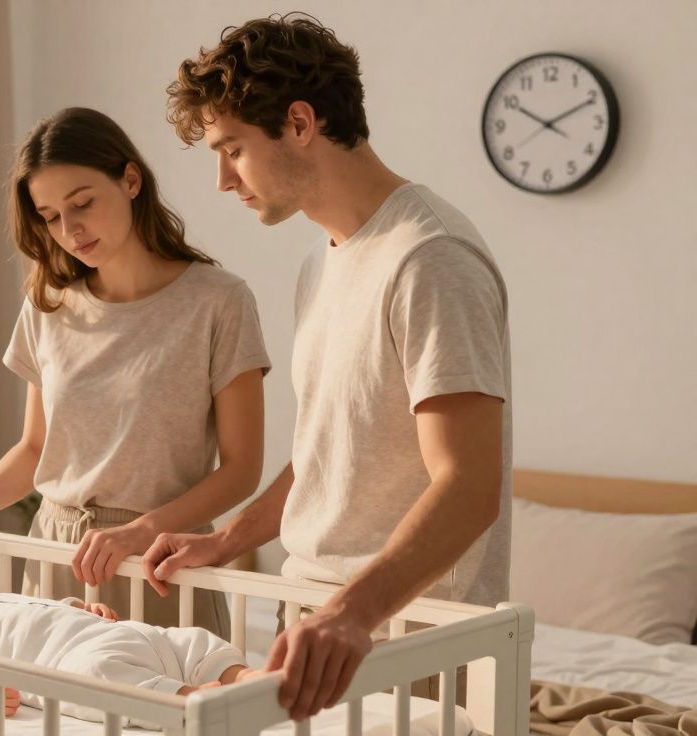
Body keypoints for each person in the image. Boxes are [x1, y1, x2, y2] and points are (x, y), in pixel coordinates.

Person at [142, 13, 513, 722]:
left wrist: (349, 613)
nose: (223, 181)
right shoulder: (323, 260)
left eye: (233, 150)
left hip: (408, 637)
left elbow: (469, 485)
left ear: (302, 122)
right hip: (317, 623)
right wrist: (229, 540)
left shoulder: (430, 258)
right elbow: (330, 451)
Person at [0, 107, 271, 636]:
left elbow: (241, 469)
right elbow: (35, 449)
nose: (69, 230)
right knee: (45, 715)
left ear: (131, 180)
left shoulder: (219, 301)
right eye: (50, 216)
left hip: (158, 562)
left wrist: (141, 532)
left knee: (167, 710)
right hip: (54, 556)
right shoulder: (49, 303)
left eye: (82, 204)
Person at [0, 561, 266, 726]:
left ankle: (242, 675)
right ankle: (190, 698)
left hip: (116, 634)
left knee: (187, 639)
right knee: (97, 678)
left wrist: (82, 606)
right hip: (78, 660)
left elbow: (41, 610)